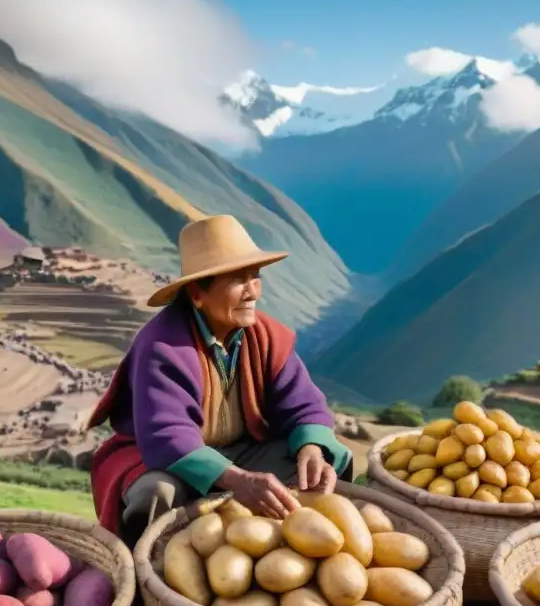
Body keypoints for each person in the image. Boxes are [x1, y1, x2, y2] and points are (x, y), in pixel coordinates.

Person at [86, 215, 352, 543]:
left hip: (243, 450)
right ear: (198, 293)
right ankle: (146, 573)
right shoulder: (163, 347)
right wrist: (238, 480)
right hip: (162, 459)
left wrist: (312, 446)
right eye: (238, 280)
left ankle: (291, 539)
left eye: (255, 277)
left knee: (323, 462)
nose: (252, 291)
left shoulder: (265, 336)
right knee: (156, 493)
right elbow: (168, 436)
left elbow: (303, 404)